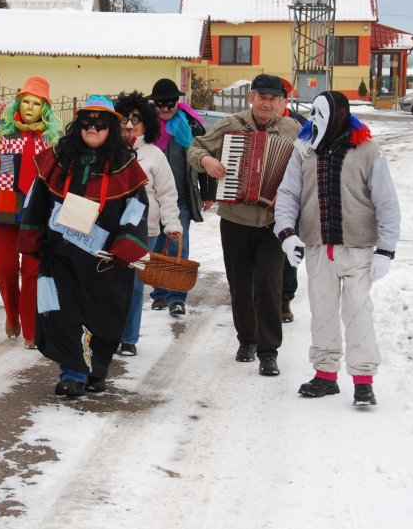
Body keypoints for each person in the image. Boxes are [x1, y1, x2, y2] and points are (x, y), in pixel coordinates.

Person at [274, 91, 401, 407]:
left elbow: (387, 202)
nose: (314, 120)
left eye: (320, 113)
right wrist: (287, 234)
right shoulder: (304, 151)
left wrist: (386, 249)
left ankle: (363, 380)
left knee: (358, 313)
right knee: (323, 312)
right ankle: (326, 375)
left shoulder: (368, 152)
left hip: (357, 250)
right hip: (317, 248)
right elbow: (288, 194)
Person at [18, 96, 150, 398]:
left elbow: (135, 210)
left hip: (104, 260)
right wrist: (33, 237)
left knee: (104, 315)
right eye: (86, 121)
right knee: (61, 312)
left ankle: (97, 369)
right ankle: (73, 373)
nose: (92, 128)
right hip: (60, 254)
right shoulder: (58, 158)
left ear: (111, 128)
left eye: (100, 123)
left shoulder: (126, 165)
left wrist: (125, 247)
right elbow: (37, 200)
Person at [187, 74, 300, 377]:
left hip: (274, 223)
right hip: (236, 219)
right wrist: (207, 163)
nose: (266, 103)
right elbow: (195, 148)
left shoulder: (292, 130)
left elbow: (308, 165)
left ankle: (269, 351)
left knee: (269, 284)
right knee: (239, 284)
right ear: (251, 98)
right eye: (261, 96)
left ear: (281, 102)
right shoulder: (232, 125)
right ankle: (246, 340)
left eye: (273, 98)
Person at [0, 77, 61, 349]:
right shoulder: (1, 134)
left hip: (38, 213)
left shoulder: (52, 142)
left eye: (37, 103)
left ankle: (31, 328)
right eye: (26, 101)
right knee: (4, 269)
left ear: (45, 109)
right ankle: (12, 313)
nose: (30, 108)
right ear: (18, 103)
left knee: (32, 272)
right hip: (3, 210)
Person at [114, 91, 182, 356]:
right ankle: (107, 333)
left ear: (147, 123)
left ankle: (129, 338)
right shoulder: (109, 151)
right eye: (124, 119)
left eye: (136, 119)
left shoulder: (155, 155)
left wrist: (172, 224)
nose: (130, 125)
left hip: (146, 232)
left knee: (134, 285)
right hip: (110, 231)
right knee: (108, 284)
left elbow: (167, 194)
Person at [146, 78, 214, 318]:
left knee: (176, 244)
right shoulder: (145, 127)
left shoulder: (192, 125)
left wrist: (208, 193)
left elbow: (205, 157)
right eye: (161, 104)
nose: (166, 108)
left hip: (182, 198)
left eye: (171, 103)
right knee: (154, 246)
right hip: (152, 199)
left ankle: (177, 297)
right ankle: (159, 293)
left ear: (178, 102)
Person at [276, 80, 307, 324]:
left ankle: (285, 298)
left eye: (277, 98)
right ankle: (259, 297)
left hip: (291, 199)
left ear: (285, 100)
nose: (271, 103)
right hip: (259, 199)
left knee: (290, 249)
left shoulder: (302, 126)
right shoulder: (250, 125)